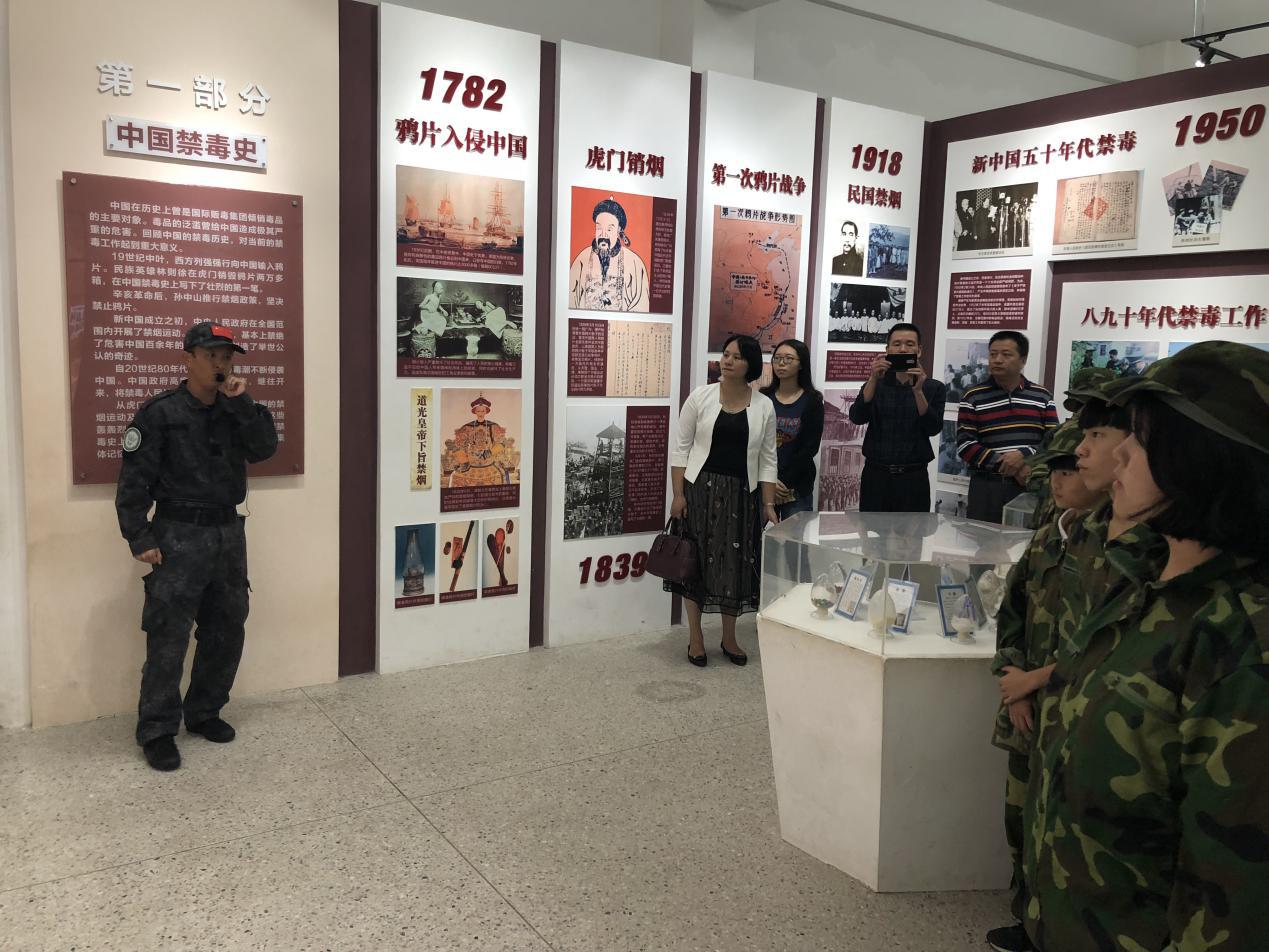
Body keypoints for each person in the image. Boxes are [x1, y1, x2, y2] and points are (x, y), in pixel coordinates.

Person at [1022, 341, 1269, 952]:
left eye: (1145, 439)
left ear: (1204, 460)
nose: (1120, 454)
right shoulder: (1141, 580)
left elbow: (1232, 900)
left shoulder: (1240, 641)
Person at [115, 321, 278, 772]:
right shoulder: (160, 413)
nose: (221, 364)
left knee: (226, 628)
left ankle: (205, 711)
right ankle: (157, 730)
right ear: (188, 359)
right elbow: (134, 481)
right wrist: (139, 536)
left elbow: (264, 449)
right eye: (211, 355)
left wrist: (241, 404)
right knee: (168, 636)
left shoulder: (238, 409)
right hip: (177, 533)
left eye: (227, 356)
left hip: (227, 533)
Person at [987, 421, 1103, 952]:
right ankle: (1027, 917)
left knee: (1064, 827)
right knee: (1022, 816)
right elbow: (1011, 614)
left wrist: (1034, 681)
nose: (1058, 481)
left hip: (1075, 709)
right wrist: (1014, 681)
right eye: (1053, 470)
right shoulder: (1045, 539)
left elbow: (1103, 644)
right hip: (1027, 706)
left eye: (1070, 470)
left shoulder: (1110, 549)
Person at [667, 334, 778, 667]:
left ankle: (729, 637)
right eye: (726, 354)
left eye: (737, 356)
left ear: (750, 364)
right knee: (695, 564)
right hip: (700, 491)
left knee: (735, 567)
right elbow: (681, 450)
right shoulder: (700, 397)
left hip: (742, 496)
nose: (728, 361)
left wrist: (768, 504)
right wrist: (678, 495)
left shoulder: (764, 405)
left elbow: (768, 459)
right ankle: (696, 637)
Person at [956, 331, 1057, 523]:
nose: (997, 360)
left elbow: (1053, 440)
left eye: (1006, 354)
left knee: (1026, 539)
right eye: (993, 354)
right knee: (982, 538)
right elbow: (965, 445)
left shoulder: (1042, 396)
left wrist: (1025, 455)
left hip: (1029, 484)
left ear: (1023, 360)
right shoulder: (973, 396)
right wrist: (1010, 465)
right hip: (987, 487)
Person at [850, 323, 945, 512]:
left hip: (914, 476)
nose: (902, 349)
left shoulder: (933, 387)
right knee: (872, 529)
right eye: (896, 344)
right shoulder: (876, 384)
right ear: (887, 350)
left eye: (909, 344)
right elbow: (857, 417)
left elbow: (933, 428)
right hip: (876, 475)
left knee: (914, 530)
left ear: (919, 351)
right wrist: (873, 378)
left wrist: (918, 391)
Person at [760, 339, 823, 520]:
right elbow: (754, 442)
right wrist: (769, 480)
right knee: (753, 536)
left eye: (788, 359)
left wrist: (782, 481)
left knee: (794, 537)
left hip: (796, 484)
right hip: (763, 481)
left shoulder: (812, 401)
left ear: (801, 364)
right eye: (777, 358)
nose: (781, 363)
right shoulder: (763, 397)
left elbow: (809, 448)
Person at [568, 196, 650, 312]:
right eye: (599, 228)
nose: (603, 234)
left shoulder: (634, 263)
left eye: (609, 229)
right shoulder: (582, 260)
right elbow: (570, 300)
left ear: (619, 230)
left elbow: (642, 306)